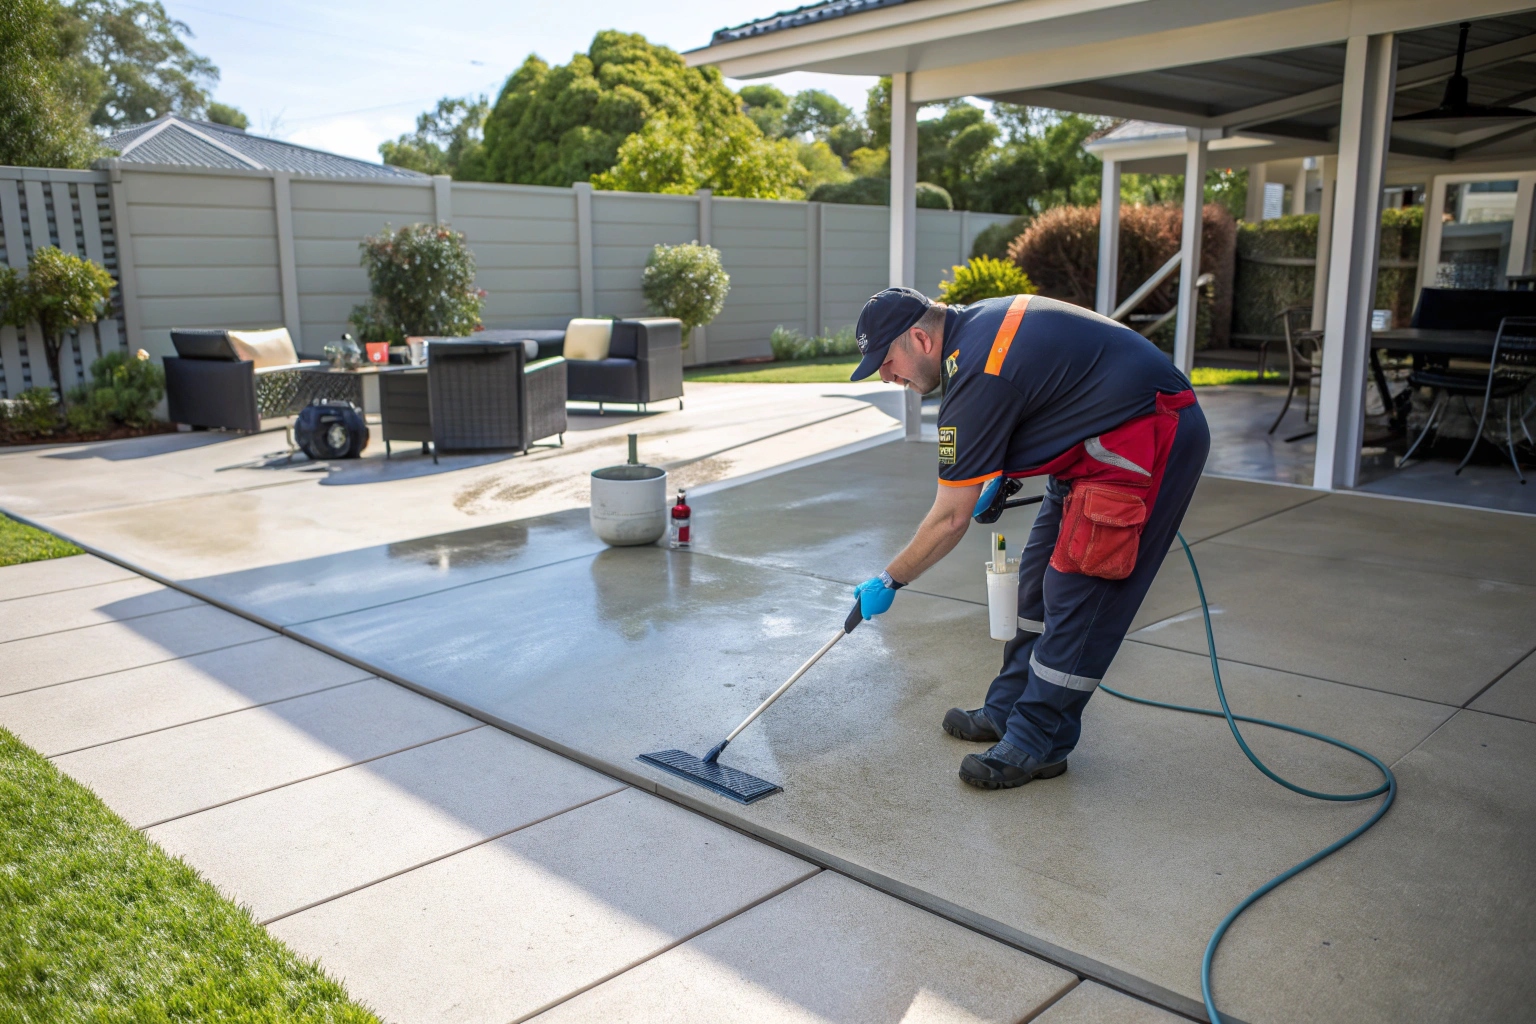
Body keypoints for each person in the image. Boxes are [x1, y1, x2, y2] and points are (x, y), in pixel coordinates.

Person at [848, 287, 1210, 789]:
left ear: (919, 338)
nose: (887, 377)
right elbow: (1047, 387)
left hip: (1148, 436)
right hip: (1089, 446)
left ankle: (1038, 741)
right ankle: (1008, 709)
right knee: (1036, 583)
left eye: (887, 361)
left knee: (1080, 593)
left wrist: (891, 578)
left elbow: (950, 518)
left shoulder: (976, 371)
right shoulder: (973, 332)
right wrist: (1002, 470)